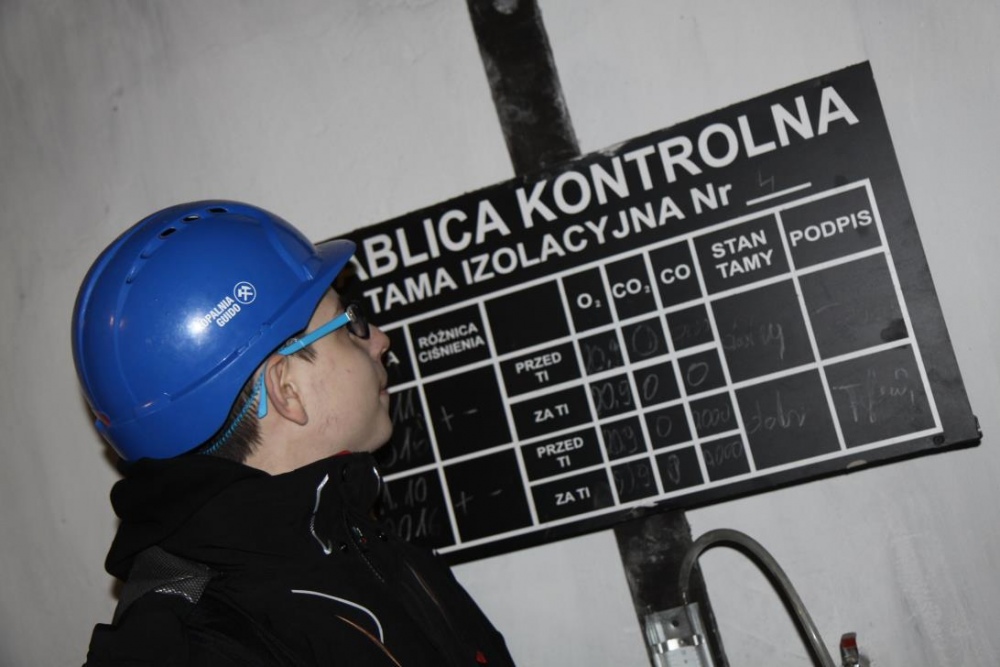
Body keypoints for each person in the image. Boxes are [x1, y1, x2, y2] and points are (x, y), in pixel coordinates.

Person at [74, 201, 515, 666]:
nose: (379, 339)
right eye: (349, 325)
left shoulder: (377, 554)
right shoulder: (196, 647)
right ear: (286, 389)